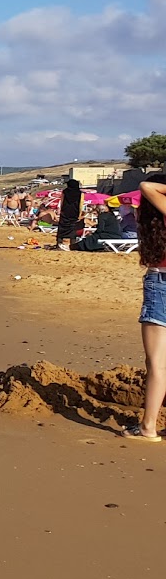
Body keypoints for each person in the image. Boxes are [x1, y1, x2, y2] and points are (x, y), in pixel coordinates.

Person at [127, 175, 166, 441]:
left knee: (157, 364)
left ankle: (148, 427)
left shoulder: (154, 224)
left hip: (160, 282)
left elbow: (145, 187)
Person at [55, 178, 84, 250]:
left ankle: (59, 243)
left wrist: (61, 210)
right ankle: (72, 244)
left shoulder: (65, 191)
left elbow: (62, 201)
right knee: (73, 229)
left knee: (62, 228)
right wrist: (80, 214)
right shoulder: (80, 193)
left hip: (65, 212)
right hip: (75, 212)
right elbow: (81, 204)